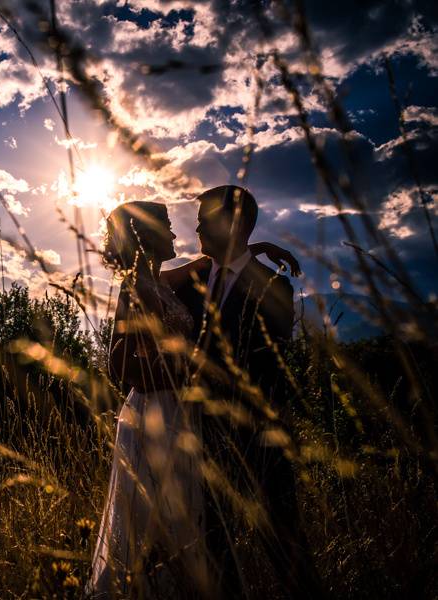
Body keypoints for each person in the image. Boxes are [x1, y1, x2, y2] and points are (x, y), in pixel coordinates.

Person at [88, 199, 301, 598]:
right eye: (167, 226)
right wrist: (184, 370)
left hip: (184, 418)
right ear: (147, 234)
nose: (176, 233)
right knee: (153, 522)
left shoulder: (166, 280)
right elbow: (119, 363)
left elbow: (217, 262)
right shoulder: (135, 286)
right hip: (154, 416)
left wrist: (256, 249)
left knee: (184, 523)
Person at [170, 185, 325, 599]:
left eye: (205, 220)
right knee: (216, 554)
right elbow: (142, 279)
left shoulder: (273, 288)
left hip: (260, 444)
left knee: (285, 549)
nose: (197, 227)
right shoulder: (193, 280)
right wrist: (255, 245)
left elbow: (260, 367)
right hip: (205, 443)